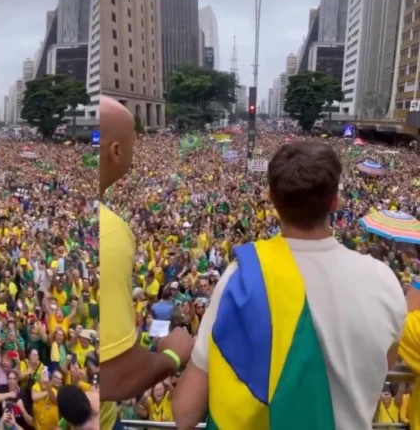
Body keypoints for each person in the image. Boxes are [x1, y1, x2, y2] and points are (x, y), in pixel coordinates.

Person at [171, 141, 406, 430]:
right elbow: (387, 362)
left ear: (271, 198)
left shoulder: (239, 279)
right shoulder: (384, 281)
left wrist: (172, 355)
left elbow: (185, 413)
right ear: (335, 201)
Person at [95, 97, 193, 430]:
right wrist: (172, 355)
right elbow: (114, 377)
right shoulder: (108, 230)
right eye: (135, 143)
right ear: (117, 150)